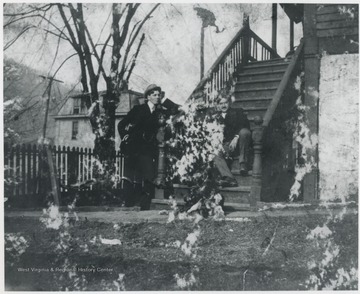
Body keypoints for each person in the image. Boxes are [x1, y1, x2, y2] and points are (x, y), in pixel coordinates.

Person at [117, 84, 178, 209]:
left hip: (149, 147)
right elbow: (122, 124)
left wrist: (166, 100)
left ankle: (145, 205)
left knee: (148, 175)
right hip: (133, 146)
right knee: (130, 176)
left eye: (159, 95)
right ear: (148, 96)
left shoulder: (160, 112)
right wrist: (125, 136)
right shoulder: (138, 109)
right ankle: (128, 204)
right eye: (154, 95)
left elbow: (177, 110)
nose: (157, 97)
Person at [213, 94, 251, 187]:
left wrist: (236, 137)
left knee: (244, 132)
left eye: (225, 102)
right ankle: (229, 178)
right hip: (226, 145)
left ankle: (243, 164)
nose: (223, 105)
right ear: (217, 105)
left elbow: (245, 125)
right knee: (215, 154)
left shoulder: (237, 112)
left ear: (229, 103)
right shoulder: (215, 118)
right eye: (221, 103)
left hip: (240, 143)